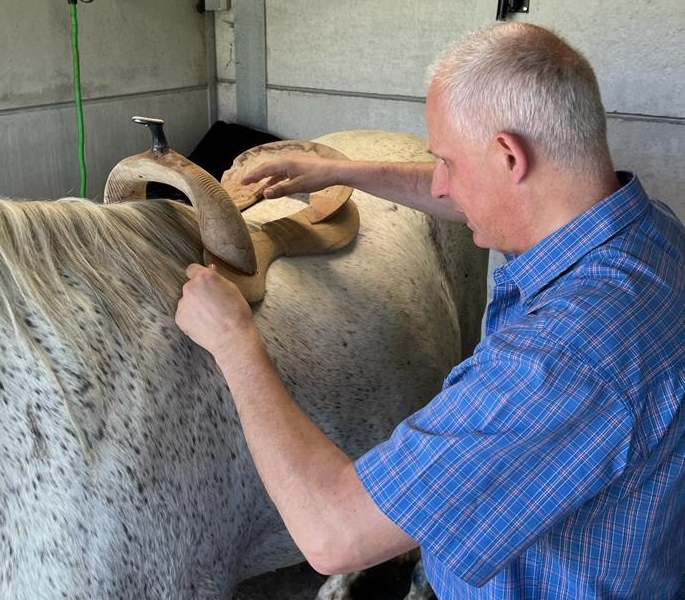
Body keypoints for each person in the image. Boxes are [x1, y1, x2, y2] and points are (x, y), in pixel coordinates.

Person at [175, 22, 685, 599]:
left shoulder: (561, 360)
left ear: (508, 156)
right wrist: (345, 171)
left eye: (446, 160)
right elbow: (484, 192)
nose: (440, 184)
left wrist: (235, 342)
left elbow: (332, 535)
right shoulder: (651, 235)